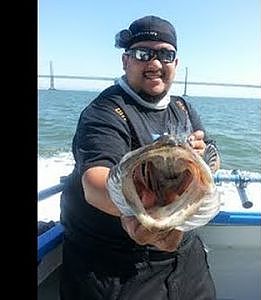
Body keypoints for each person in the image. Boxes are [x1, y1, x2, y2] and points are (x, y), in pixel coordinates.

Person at [60, 15, 219, 300]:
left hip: (186, 263)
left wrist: (203, 157)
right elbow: (94, 182)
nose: (155, 64)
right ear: (126, 60)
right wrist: (136, 213)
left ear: (176, 63)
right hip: (116, 270)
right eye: (143, 53)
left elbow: (212, 154)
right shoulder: (105, 111)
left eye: (165, 54)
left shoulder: (183, 107)